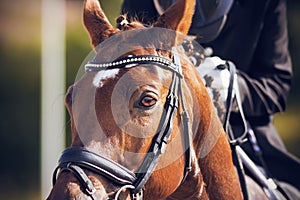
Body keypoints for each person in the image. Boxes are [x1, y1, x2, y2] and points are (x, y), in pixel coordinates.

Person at [121, 0, 300, 198]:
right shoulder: (139, 2)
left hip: (241, 134)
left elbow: (277, 85)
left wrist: (234, 87)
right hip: (158, 134)